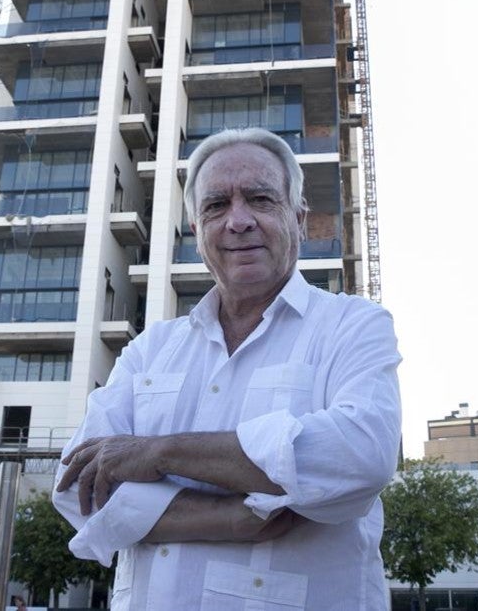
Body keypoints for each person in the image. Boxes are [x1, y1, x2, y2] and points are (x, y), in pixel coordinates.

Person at [52, 127, 402, 609]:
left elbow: (360, 456)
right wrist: (229, 518)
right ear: (197, 231)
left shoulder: (353, 325)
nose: (238, 221)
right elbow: (76, 488)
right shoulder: (151, 348)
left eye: (259, 199)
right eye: (216, 206)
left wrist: (158, 454)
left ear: (299, 219)